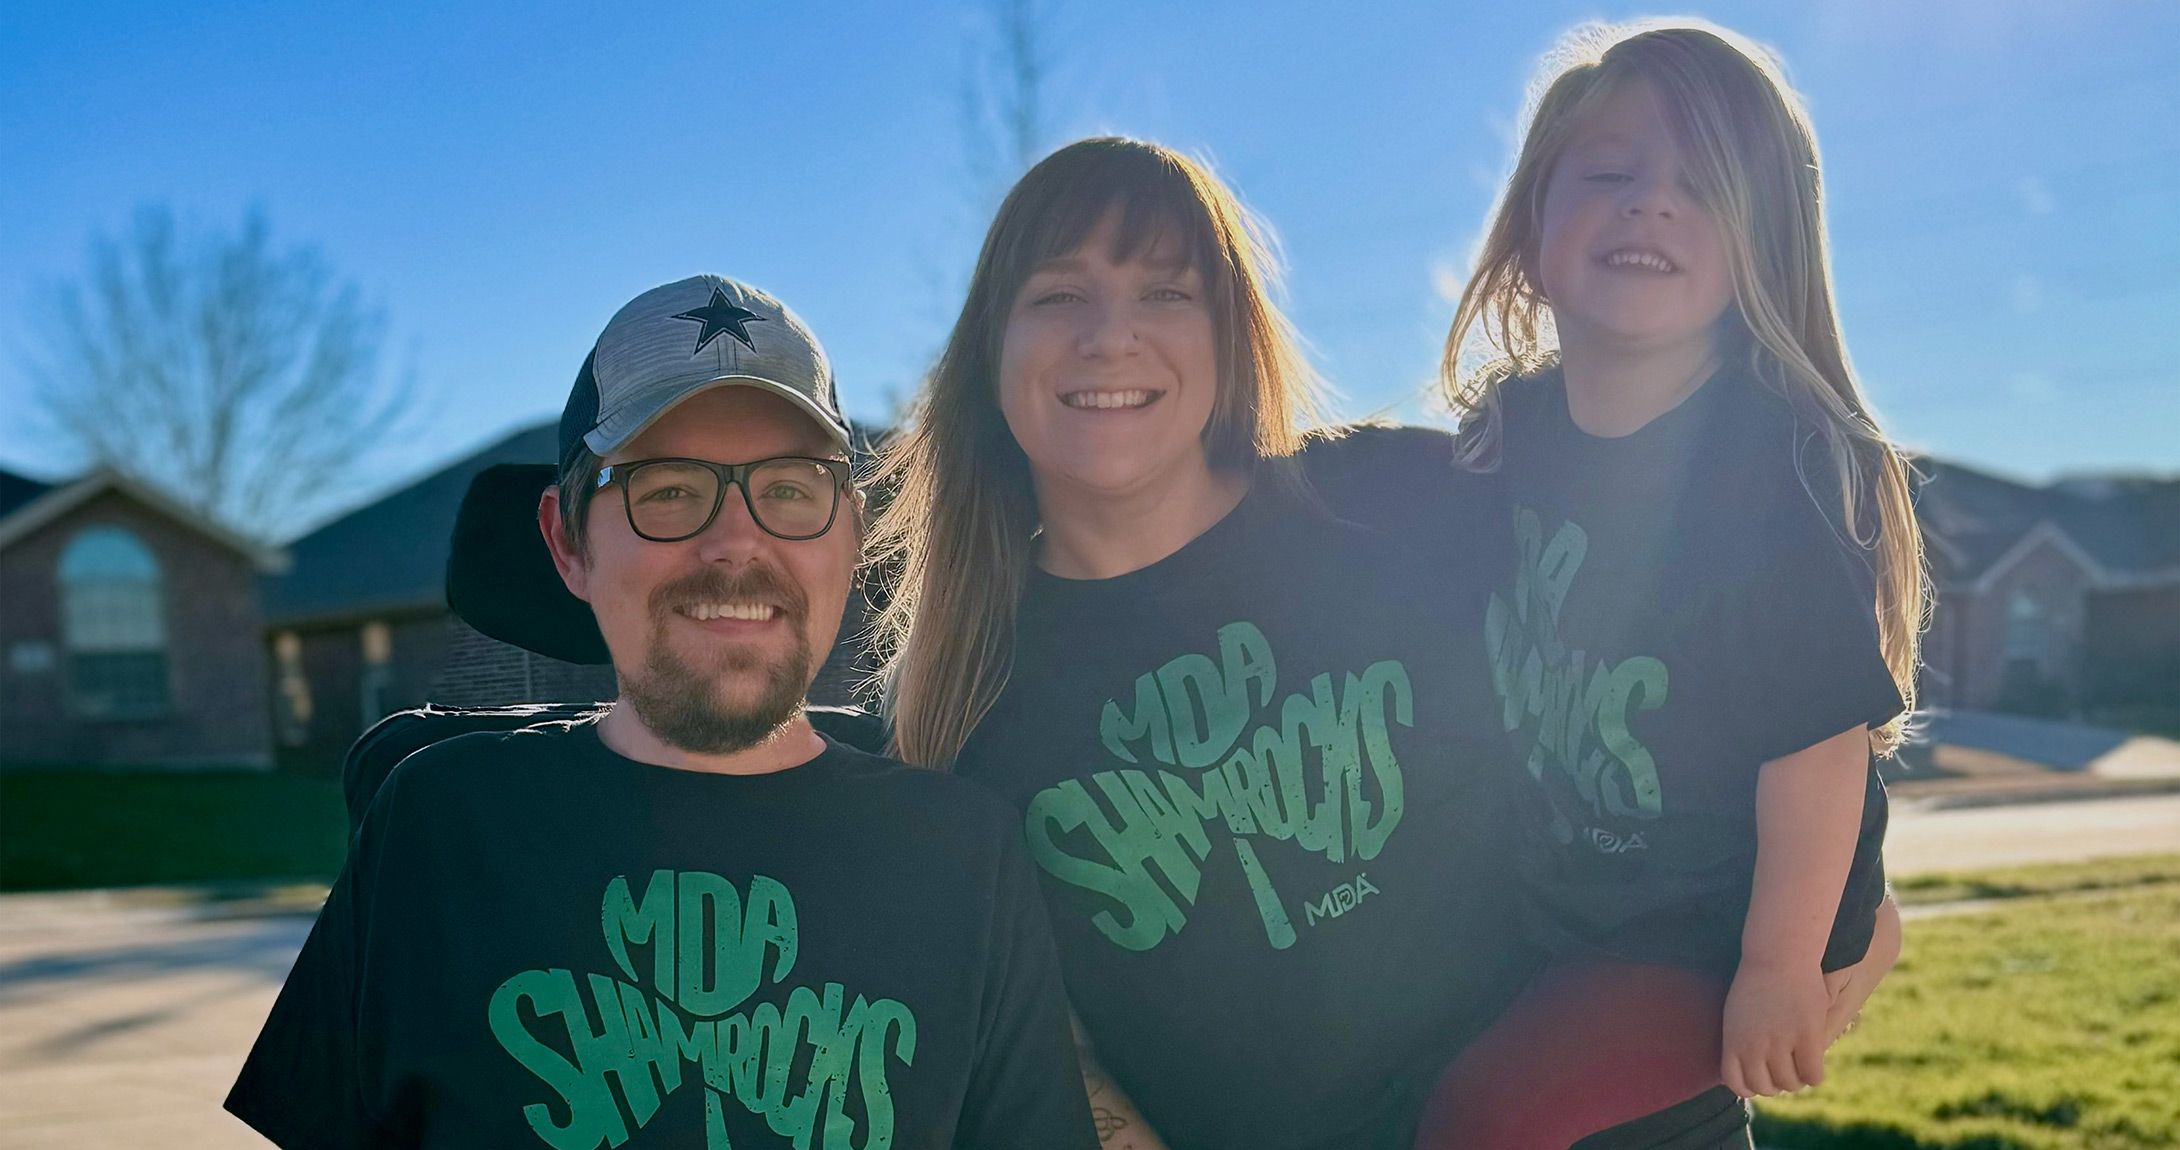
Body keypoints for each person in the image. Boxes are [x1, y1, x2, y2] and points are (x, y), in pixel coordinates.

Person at [869, 136, 1902, 1150]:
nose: (1108, 337)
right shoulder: (961, 694)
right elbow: (1037, 1033)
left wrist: (1838, 903)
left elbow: (1711, 630)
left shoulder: (1400, 501)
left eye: (1166, 293)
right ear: (986, 349)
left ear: (1231, 336)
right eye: (1057, 295)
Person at [225, 275, 1099, 1150]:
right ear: (568, 543)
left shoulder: (964, 854)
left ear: (852, 533)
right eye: (670, 489)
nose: (736, 542)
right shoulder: (439, 825)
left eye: (792, 487)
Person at [1410, 22, 1928, 1148]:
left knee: (1486, 1120)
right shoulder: (1510, 436)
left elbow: (1814, 740)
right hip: (1578, 905)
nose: (1649, 202)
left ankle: (1852, 925)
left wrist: (1777, 962)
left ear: (1762, 241)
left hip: (1712, 921)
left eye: (1701, 183)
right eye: (1608, 173)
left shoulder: (1768, 465)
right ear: (1532, 225)